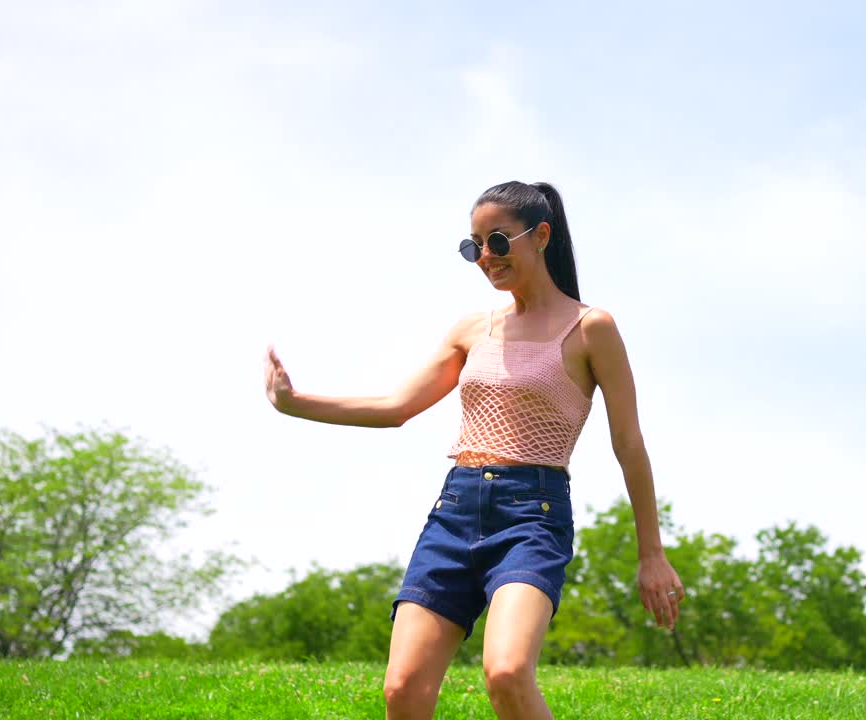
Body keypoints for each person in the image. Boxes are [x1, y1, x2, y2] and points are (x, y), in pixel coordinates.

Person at [263, 180, 684, 720]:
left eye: (498, 241)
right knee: (402, 688)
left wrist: (651, 553)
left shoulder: (590, 328)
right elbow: (396, 407)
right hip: (455, 511)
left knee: (506, 672)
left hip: (532, 516)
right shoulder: (471, 329)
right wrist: (295, 403)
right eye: (474, 245)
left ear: (541, 236)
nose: (486, 256)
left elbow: (628, 443)